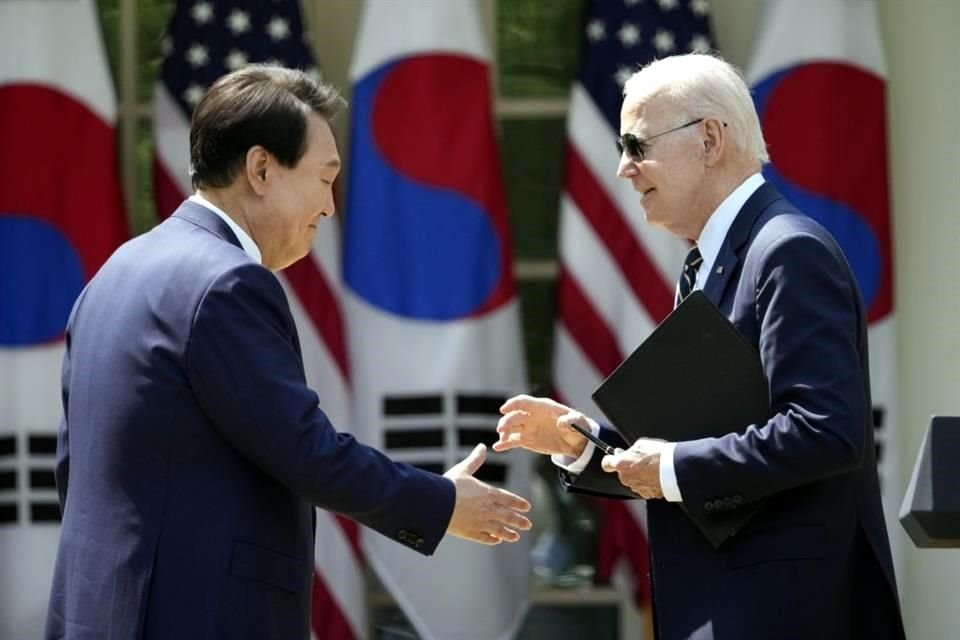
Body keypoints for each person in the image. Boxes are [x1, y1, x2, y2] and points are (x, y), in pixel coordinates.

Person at [46, 65, 532, 640]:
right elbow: (305, 451)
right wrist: (441, 503)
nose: (330, 207)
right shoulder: (227, 283)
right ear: (261, 169)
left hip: (99, 611)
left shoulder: (116, 271)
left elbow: (74, 468)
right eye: (325, 179)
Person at [494, 53, 905, 639]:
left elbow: (824, 429)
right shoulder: (710, 263)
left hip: (786, 612)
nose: (622, 170)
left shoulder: (787, 251)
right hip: (729, 601)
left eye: (636, 146)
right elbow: (704, 434)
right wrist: (583, 443)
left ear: (710, 138)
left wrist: (668, 467)